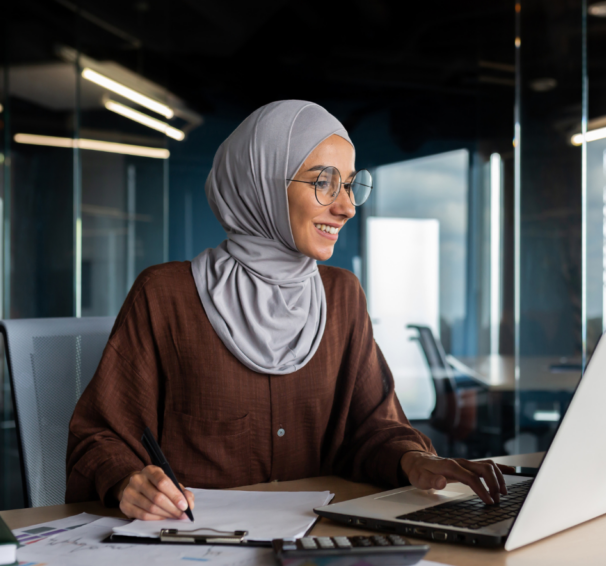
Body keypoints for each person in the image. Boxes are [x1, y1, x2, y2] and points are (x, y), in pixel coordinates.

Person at [66, 100, 511, 520]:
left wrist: (413, 460)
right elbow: (98, 437)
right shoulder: (166, 294)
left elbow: (372, 429)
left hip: (319, 541)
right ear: (259, 183)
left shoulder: (342, 296)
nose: (346, 207)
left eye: (351, 184)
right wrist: (128, 479)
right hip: (198, 549)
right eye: (323, 182)